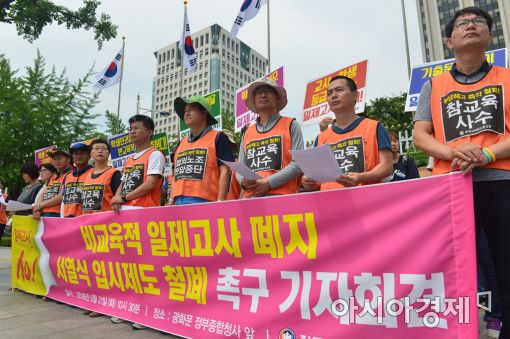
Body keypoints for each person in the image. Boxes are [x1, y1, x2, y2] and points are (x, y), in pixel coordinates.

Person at [413, 7, 509, 337]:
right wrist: (455, 153)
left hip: (501, 181)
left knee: (505, 263)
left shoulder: (507, 79)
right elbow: (421, 134)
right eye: (462, 23)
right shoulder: (434, 86)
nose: (470, 25)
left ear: (490, 37)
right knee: (451, 267)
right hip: (451, 187)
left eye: (478, 22)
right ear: (449, 40)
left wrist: (485, 154)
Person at [110, 114, 165, 329]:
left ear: (149, 132)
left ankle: (147, 312)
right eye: (130, 128)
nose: (132, 131)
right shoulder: (130, 160)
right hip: (126, 217)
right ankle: (130, 308)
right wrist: (117, 197)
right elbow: (123, 184)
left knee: (146, 267)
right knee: (130, 266)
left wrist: (123, 198)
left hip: (145, 216)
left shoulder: (155, 155)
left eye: (136, 128)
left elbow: (150, 183)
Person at [302, 75, 393, 191]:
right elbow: (317, 181)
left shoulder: (375, 127)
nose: (333, 95)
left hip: (367, 201)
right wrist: (309, 182)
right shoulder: (321, 138)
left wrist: (360, 177)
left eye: (339, 90)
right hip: (329, 202)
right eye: (329, 93)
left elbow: (387, 166)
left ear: (355, 95)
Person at [237, 77, 304, 197]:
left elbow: (298, 163)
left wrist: (269, 183)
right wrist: (243, 182)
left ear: (277, 98)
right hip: (252, 199)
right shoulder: (247, 132)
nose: (262, 95)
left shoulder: (291, 125)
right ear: (254, 100)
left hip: (283, 198)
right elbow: (241, 167)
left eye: (267, 91)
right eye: (258, 92)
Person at [170, 96, 234, 204]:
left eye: (191, 109)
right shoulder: (181, 142)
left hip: (204, 201)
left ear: (204, 113)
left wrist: (220, 201)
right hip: (177, 202)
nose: (186, 113)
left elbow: (225, 170)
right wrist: (171, 200)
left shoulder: (218, 137)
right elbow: (176, 174)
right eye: (185, 110)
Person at [81, 139, 121, 214]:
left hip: (107, 222)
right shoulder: (87, 175)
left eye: (103, 148)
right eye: (96, 148)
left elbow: (119, 199)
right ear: (91, 153)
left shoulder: (114, 173)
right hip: (88, 222)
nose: (100, 151)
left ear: (109, 153)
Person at [33, 148, 72, 218]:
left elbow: (62, 196)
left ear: (68, 159)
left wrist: (40, 205)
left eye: (59, 158)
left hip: (58, 215)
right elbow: (42, 194)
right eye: (54, 159)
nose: (56, 161)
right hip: (44, 215)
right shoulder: (53, 177)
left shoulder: (71, 175)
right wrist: (37, 210)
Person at [62, 143, 93, 218]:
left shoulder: (95, 173)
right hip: (68, 218)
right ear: (72, 157)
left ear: (89, 156)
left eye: (82, 153)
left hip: (86, 219)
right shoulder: (67, 176)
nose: (78, 156)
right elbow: (63, 199)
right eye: (75, 154)